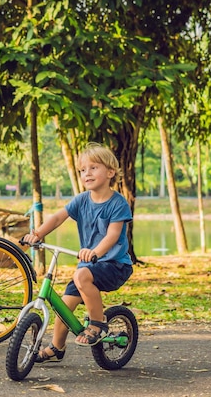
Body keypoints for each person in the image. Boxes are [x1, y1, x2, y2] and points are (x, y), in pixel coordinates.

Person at [21, 142, 133, 362]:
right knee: (64, 307)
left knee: (81, 274)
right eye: (82, 170)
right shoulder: (81, 200)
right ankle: (56, 348)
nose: (86, 173)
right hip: (89, 267)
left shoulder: (118, 203)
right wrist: (38, 234)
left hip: (114, 265)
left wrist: (95, 252)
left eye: (93, 168)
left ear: (110, 172)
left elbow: (112, 236)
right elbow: (57, 218)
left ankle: (98, 323)